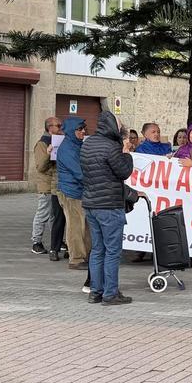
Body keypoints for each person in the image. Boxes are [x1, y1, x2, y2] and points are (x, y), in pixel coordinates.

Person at [81, 110, 135, 306]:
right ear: (112, 126)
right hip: (109, 205)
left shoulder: (88, 144)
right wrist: (127, 153)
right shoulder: (112, 147)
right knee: (112, 251)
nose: (121, 127)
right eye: (119, 124)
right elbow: (124, 171)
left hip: (91, 203)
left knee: (97, 249)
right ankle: (110, 294)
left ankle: (96, 291)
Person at [56, 117, 92, 273]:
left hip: (80, 191)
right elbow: (80, 173)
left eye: (84, 128)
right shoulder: (68, 149)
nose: (83, 131)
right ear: (72, 131)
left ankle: (85, 255)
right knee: (76, 226)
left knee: (85, 226)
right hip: (71, 193)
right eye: (80, 129)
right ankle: (76, 259)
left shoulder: (77, 145)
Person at [31, 116, 62, 255]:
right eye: (58, 126)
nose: (60, 128)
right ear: (50, 128)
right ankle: (36, 242)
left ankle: (56, 241)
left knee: (54, 216)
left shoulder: (58, 141)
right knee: (42, 213)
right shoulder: (42, 144)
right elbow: (41, 167)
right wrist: (49, 154)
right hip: (46, 185)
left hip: (56, 185)